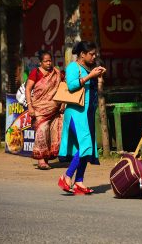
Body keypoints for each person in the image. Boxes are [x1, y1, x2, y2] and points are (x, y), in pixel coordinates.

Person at [57, 41, 106, 195]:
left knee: (86, 147)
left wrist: (98, 77)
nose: (94, 56)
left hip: (88, 112)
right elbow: (71, 86)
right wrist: (90, 76)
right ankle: (67, 175)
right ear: (82, 54)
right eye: (91, 54)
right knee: (85, 146)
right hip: (76, 113)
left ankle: (79, 182)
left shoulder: (88, 69)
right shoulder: (73, 67)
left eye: (95, 53)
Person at [25, 50, 65, 170]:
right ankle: (41, 160)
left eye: (50, 60)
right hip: (39, 108)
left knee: (51, 133)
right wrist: (30, 106)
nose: (48, 63)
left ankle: (46, 159)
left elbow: (63, 87)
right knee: (42, 131)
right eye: (46, 61)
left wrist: (63, 103)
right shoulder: (35, 73)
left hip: (55, 109)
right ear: (40, 62)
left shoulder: (56, 72)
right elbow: (28, 89)